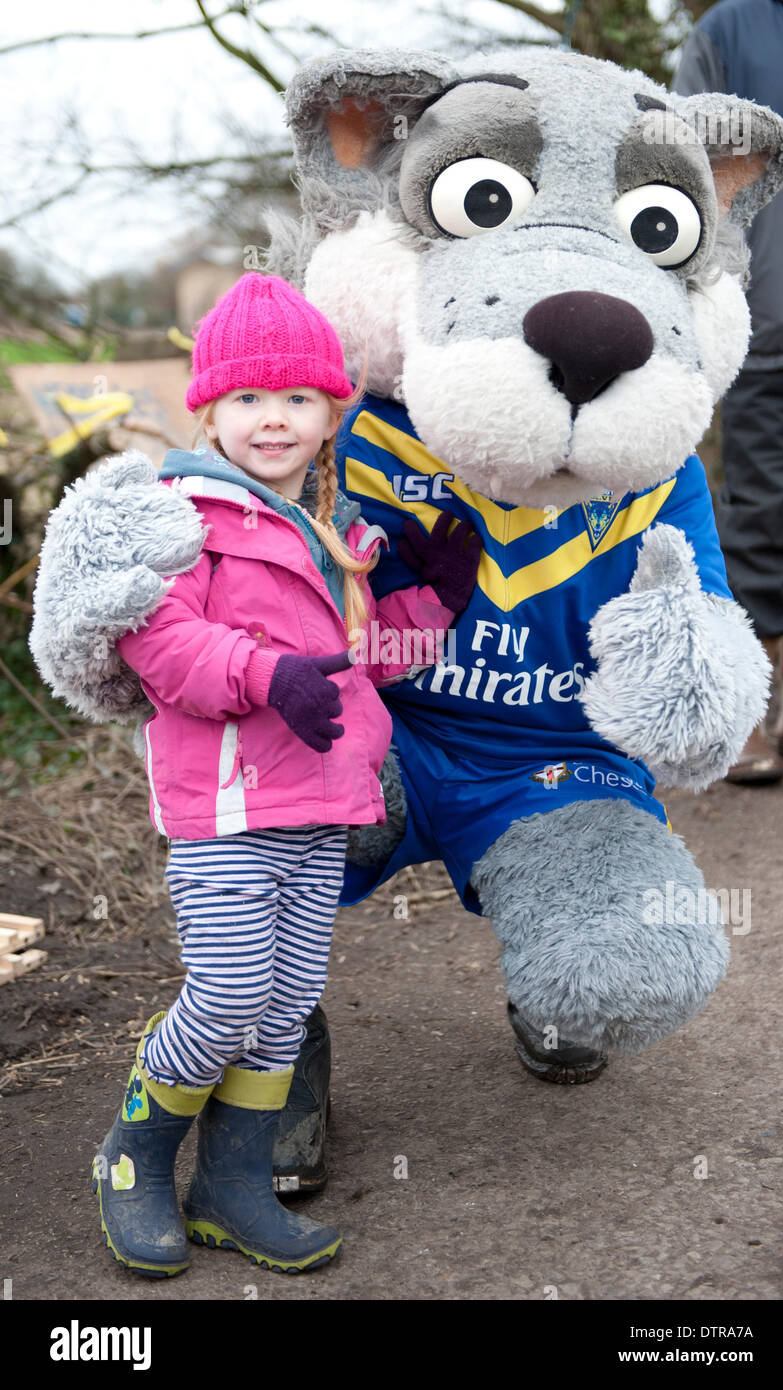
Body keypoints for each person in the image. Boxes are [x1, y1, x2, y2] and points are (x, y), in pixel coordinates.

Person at [88, 272, 481, 1277]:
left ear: (327, 412)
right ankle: (133, 1152)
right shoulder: (182, 520)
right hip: (226, 811)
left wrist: (429, 607)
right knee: (224, 994)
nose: (275, 419)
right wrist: (264, 674)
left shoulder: (319, 532)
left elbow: (353, 664)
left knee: (280, 1006)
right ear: (209, 410)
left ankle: (232, 1185)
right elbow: (161, 648)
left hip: (318, 807)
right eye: (251, 399)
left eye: (298, 399)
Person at [673, 0, 783, 783]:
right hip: (772, 326)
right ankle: (747, 708)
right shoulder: (730, 30)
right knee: (763, 516)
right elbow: (688, 174)